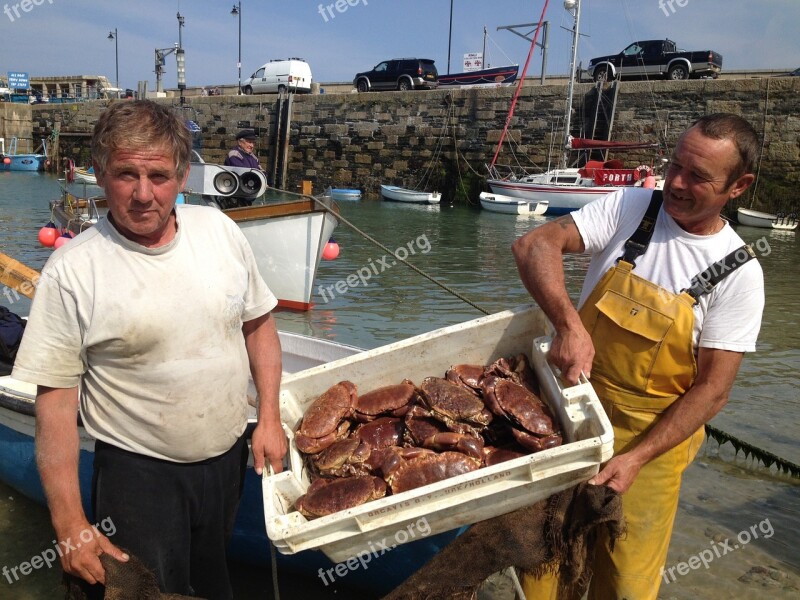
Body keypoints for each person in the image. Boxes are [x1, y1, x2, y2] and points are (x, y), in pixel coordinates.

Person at [12, 100, 287, 599]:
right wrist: (70, 523)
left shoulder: (219, 231)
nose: (143, 195)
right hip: (139, 476)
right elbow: (54, 403)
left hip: (226, 462)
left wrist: (268, 416)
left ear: (183, 175)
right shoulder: (74, 272)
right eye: (126, 175)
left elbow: (259, 325)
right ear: (99, 174)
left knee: (209, 585)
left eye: (159, 176)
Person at [511, 113, 764, 600]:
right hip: (570, 420)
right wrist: (569, 325)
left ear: (739, 186)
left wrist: (636, 458)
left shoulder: (739, 274)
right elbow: (534, 244)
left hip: (650, 447)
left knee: (625, 584)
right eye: (675, 165)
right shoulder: (633, 207)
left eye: (698, 177)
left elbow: (713, 391)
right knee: (544, 568)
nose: (676, 183)